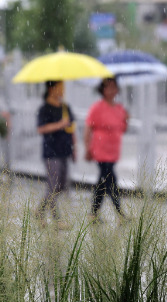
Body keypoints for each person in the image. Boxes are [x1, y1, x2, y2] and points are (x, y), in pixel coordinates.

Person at [84, 77, 129, 223]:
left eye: (114, 87)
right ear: (102, 90)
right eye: (108, 87)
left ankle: (93, 213)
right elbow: (88, 128)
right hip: (100, 150)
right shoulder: (97, 107)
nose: (111, 90)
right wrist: (87, 148)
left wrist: (126, 119)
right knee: (111, 180)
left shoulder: (120, 109)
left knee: (102, 182)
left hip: (113, 150)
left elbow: (122, 129)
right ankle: (120, 213)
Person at [35, 80, 77, 229]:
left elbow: (72, 129)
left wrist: (74, 148)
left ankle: (40, 212)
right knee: (53, 186)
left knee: (60, 186)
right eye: (60, 87)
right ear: (51, 88)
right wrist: (60, 124)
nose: (62, 90)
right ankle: (56, 219)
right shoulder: (44, 109)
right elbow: (41, 129)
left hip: (64, 151)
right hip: (51, 153)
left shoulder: (65, 107)